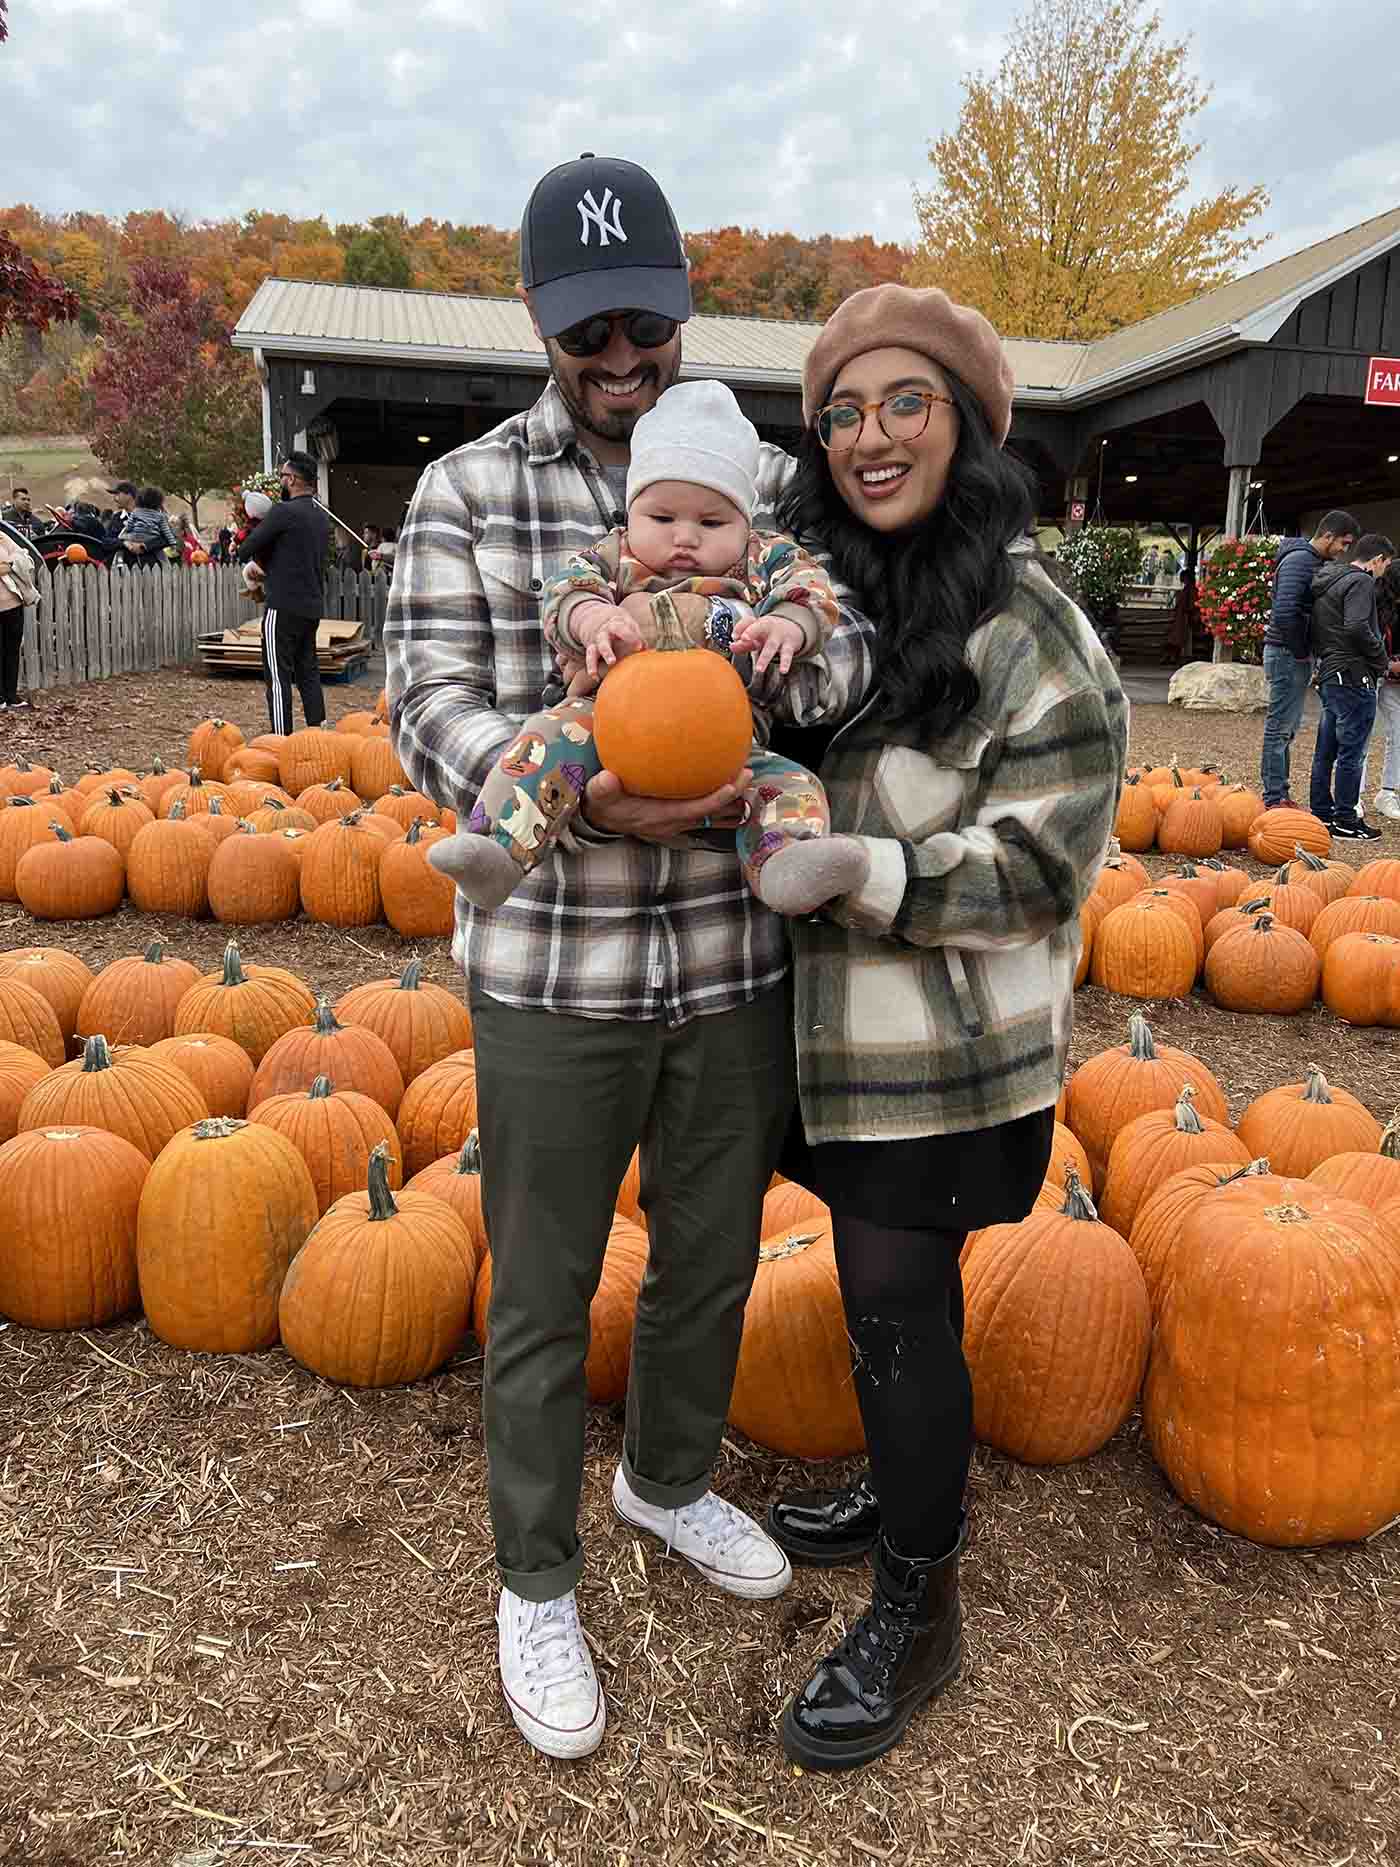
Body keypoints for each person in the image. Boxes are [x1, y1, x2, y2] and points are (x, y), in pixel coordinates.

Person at [385, 152, 872, 1763]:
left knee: (712, 1254)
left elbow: (842, 638)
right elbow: (430, 701)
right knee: (538, 1281)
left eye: (647, 328)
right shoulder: (468, 490)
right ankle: (537, 1571)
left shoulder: (754, 469)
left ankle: (667, 1479)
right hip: (557, 963)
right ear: (537, 318)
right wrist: (587, 797)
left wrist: (773, 676)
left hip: (732, 953)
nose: (622, 360)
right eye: (589, 330)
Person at [760, 283, 1126, 1771]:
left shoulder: (1034, 630)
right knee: (880, 1304)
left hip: (947, 1053)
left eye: (905, 402)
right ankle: (904, 1491)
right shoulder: (829, 593)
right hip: (838, 1038)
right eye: (843, 412)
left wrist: (874, 871)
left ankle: (922, 1598)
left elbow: (1045, 865)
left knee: (901, 1308)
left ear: (970, 428)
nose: (869, 436)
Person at [430, 379, 846, 915]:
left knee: (792, 785)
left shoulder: (760, 557)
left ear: (745, 522)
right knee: (540, 743)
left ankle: (784, 866)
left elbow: (810, 589)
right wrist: (594, 618)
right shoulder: (614, 556)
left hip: (724, 744)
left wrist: (789, 624)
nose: (685, 537)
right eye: (663, 518)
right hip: (604, 724)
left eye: (712, 521)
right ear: (632, 515)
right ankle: (499, 854)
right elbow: (566, 591)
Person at [1260, 511, 1358, 806]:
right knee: (1280, 727)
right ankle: (1274, 797)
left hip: (1293, 653)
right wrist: (1302, 652)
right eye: (1344, 543)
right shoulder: (1300, 562)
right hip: (1288, 653)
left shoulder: (1311, 561)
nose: (1344, 550)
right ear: (1328, 536)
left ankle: (1280, 793)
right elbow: (1286, 611)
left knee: (1287, 727)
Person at [1307, 532, 1395, 841]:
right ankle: (1345, 818)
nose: (1385, 571)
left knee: (1326, 750)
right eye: (1386, 564)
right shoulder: (1361, 582)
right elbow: (1357, 626)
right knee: (1352, 751)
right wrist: (1381, 659)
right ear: (1377, 560)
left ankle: (1320, 813)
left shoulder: (1328, 578)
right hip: (1354, 674)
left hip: (1331, 670)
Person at [236, 453, 332, 735]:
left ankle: (281, 740)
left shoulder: (283, 512)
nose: (281, 481)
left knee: (277, 677)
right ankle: (319, 733)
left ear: (291, 479)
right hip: (311, 605)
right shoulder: (320, 516)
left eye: (282, 476)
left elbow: (247, 547)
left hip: (282, 606)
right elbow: (298, 558)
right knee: (308, 673)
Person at [0, 526, 41, 710]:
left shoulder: (2, 537)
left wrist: (8, 565)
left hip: (12, 603)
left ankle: (11, 695)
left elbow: (25, 557)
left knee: (12, 650)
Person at [1372, 560, 1400, 822]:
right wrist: (1389, 664)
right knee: (1361, 738)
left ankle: (1388, 792)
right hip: (1375, 676)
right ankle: (1351, 798)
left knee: (1399, 733)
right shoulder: (1377, 603)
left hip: (1394, 681)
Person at [118, 487, 179, 565]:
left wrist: (126, 537)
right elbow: (167, 532)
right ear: (158, 502)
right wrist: (173, 544)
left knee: (122, 537)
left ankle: (121, 557)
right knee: (159, 553)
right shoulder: (160, 516)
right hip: (151, 538)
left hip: (135, 537)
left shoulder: (136, 512)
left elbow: (129, 527)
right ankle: (165, 564)